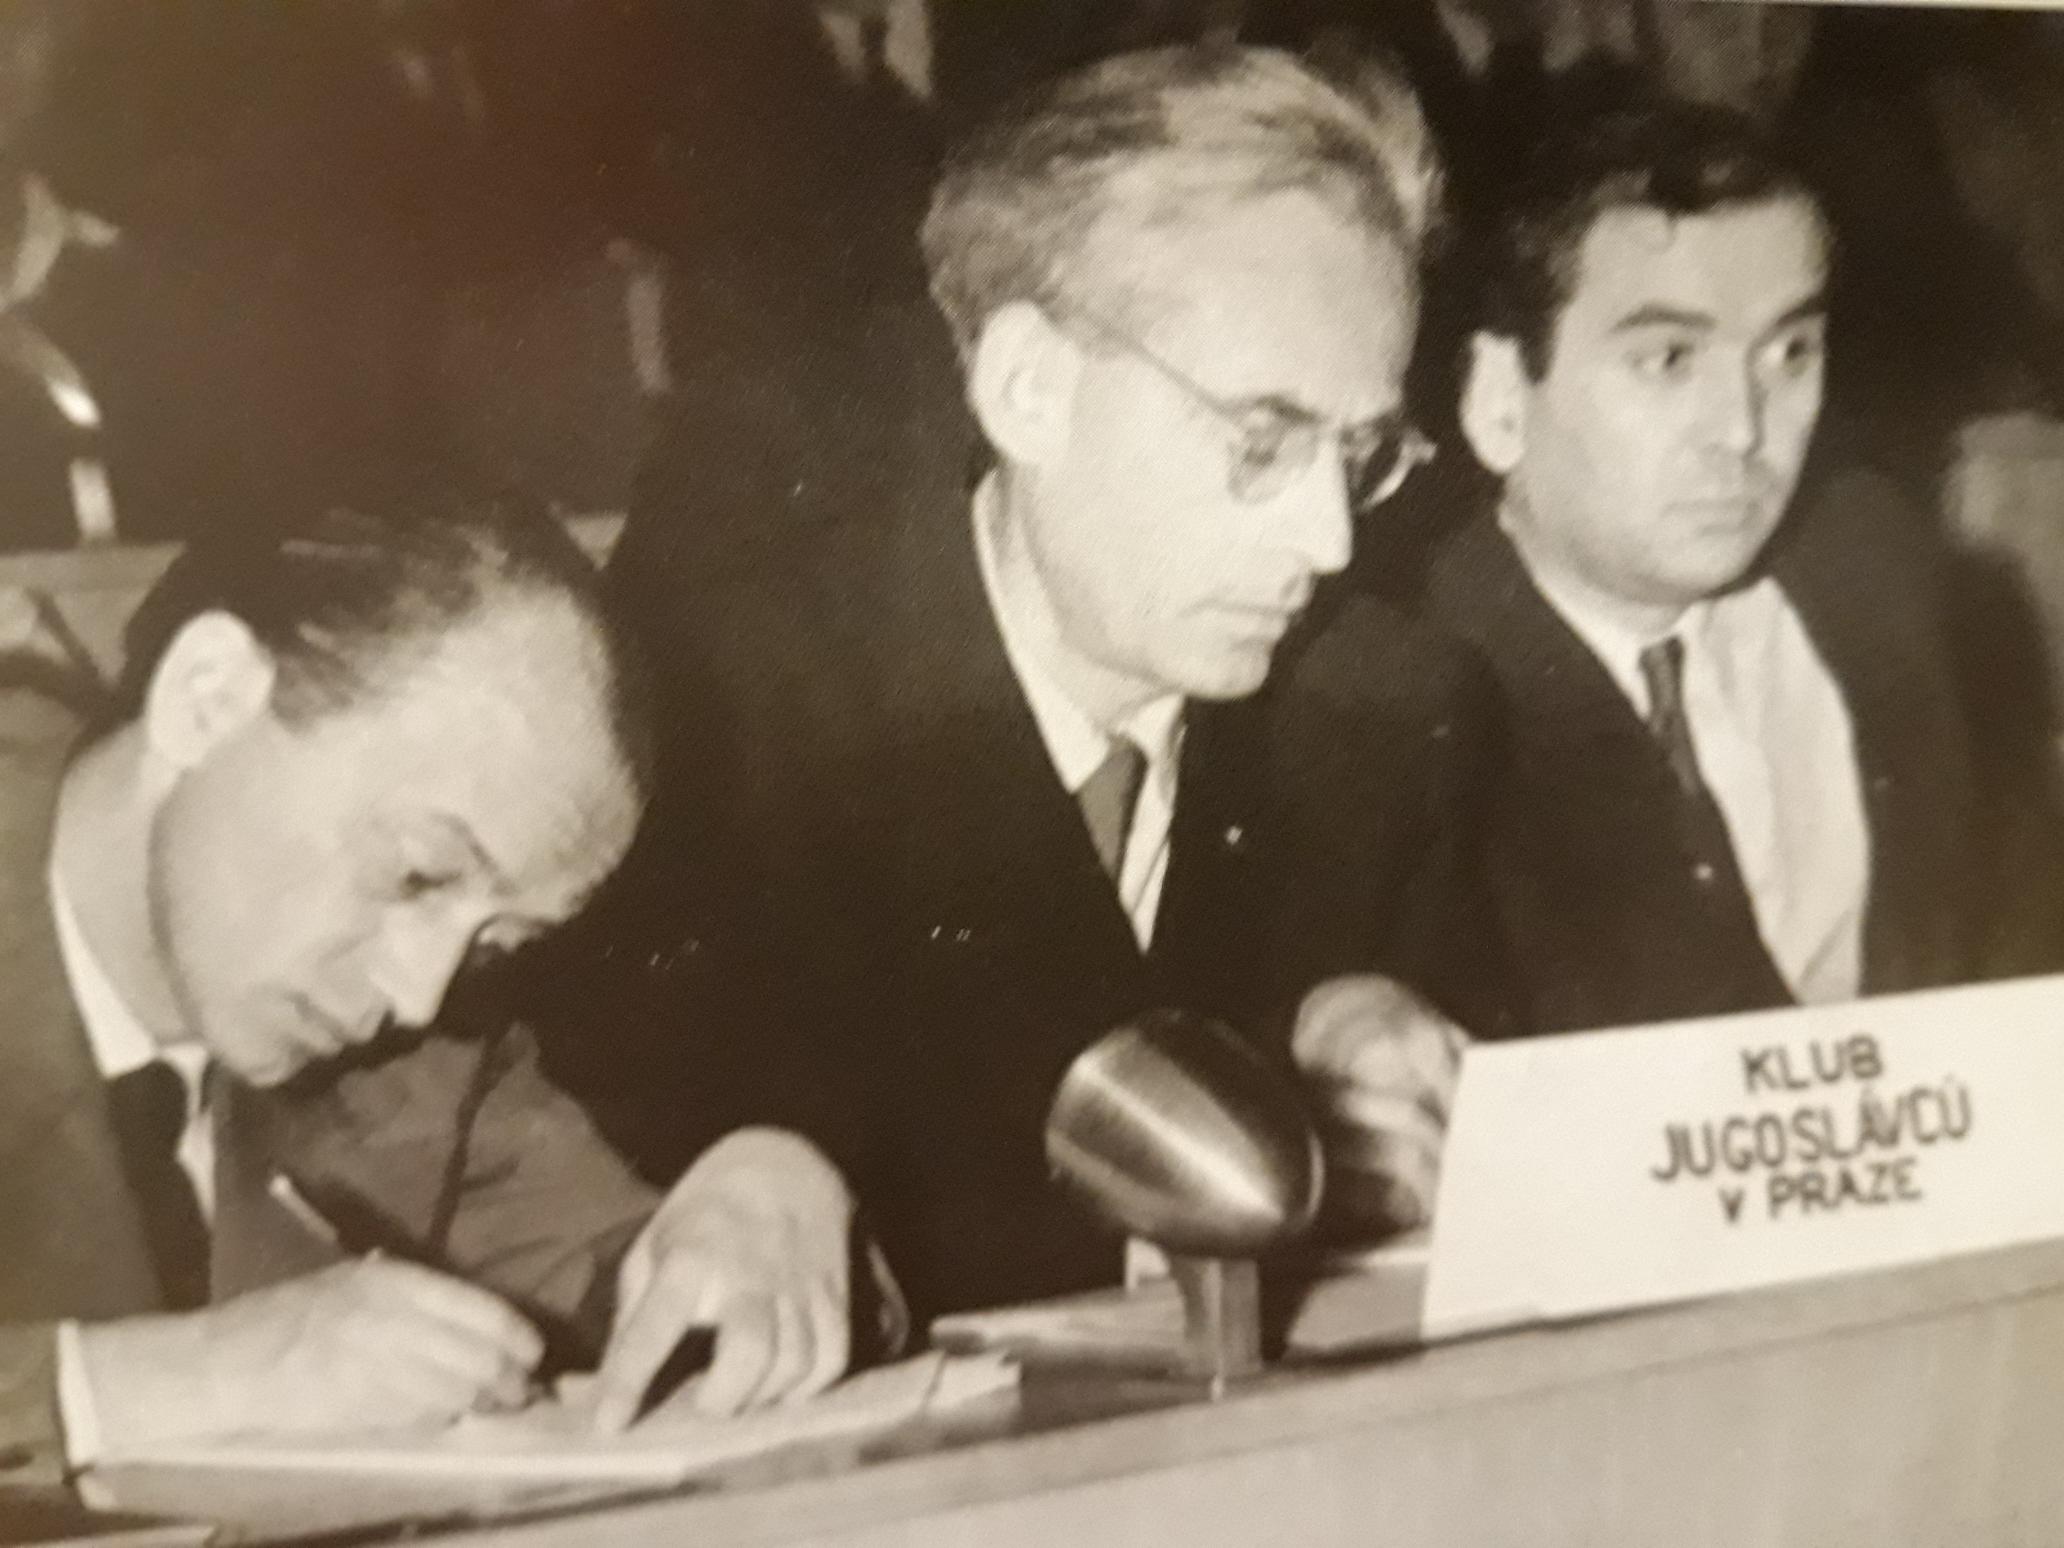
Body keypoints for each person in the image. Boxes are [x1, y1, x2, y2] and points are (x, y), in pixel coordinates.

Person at [577, 43, 1505, 1330]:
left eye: (1359, 453)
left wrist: (1344, 1025)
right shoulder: (735, 736)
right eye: (1261, 441)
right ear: (1027, 387)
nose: (1329, 539)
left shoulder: (1385, 716)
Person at [0, 496, 857, 1489]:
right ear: (206, 699)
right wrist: (132, 1383)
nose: (416, 995)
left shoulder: (416, 1061)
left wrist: (769, 1190)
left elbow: (625, 1287)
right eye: (416, 874)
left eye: (498, 942)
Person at [1422, 84, 2064, 1035]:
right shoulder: (1402, 704)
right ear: (1500, 400)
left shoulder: (1876, 567)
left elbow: (2014, 926)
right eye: (1669, 360)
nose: (1745, 430)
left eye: (1789, 351)